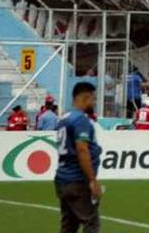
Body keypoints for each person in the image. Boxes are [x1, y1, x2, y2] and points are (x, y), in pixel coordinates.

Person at [55, 82, 102, 233]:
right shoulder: (80, 119)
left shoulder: (64, 118)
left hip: (63, 178)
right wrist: (92, 180)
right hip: (77, 180)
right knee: (91, 222)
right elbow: (82, 149)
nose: (93, 103)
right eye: (92, 99)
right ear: (84, 98)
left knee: (69, 226)